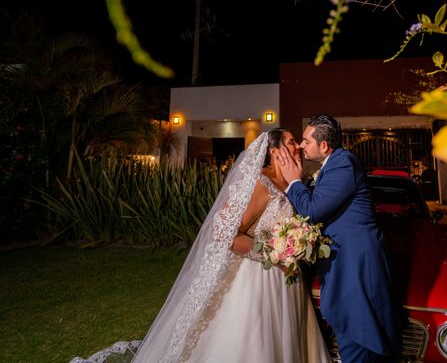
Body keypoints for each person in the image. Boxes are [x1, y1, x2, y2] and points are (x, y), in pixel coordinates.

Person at [73, 129, 331, 363]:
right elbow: (225, 234)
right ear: (275, 152)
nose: (297, 145)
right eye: (290, 142)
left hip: (287, 280)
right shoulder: (260, 185)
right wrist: (273, 254)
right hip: (259, 278)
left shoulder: (292, 185)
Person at [276, 115, 405, 363]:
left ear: (324, 146)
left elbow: (312, 211)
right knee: (356, 331)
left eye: (305, 141)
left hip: (354, 263)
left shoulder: (342, 163)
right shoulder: (333, 164)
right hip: (346, 262)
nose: (301, 146)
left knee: (358, 332)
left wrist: (293, 181)